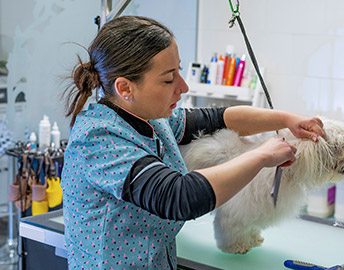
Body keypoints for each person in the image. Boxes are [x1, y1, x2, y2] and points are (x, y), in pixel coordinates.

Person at [61, 15, 325, 269]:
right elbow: (179, 196)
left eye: (179, 71)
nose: (183, 86)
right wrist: (261, 156)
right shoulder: (97, 140)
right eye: (168, 78)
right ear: (125, 88)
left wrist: (286, 119)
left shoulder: (153, 118)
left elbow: (218, 119)